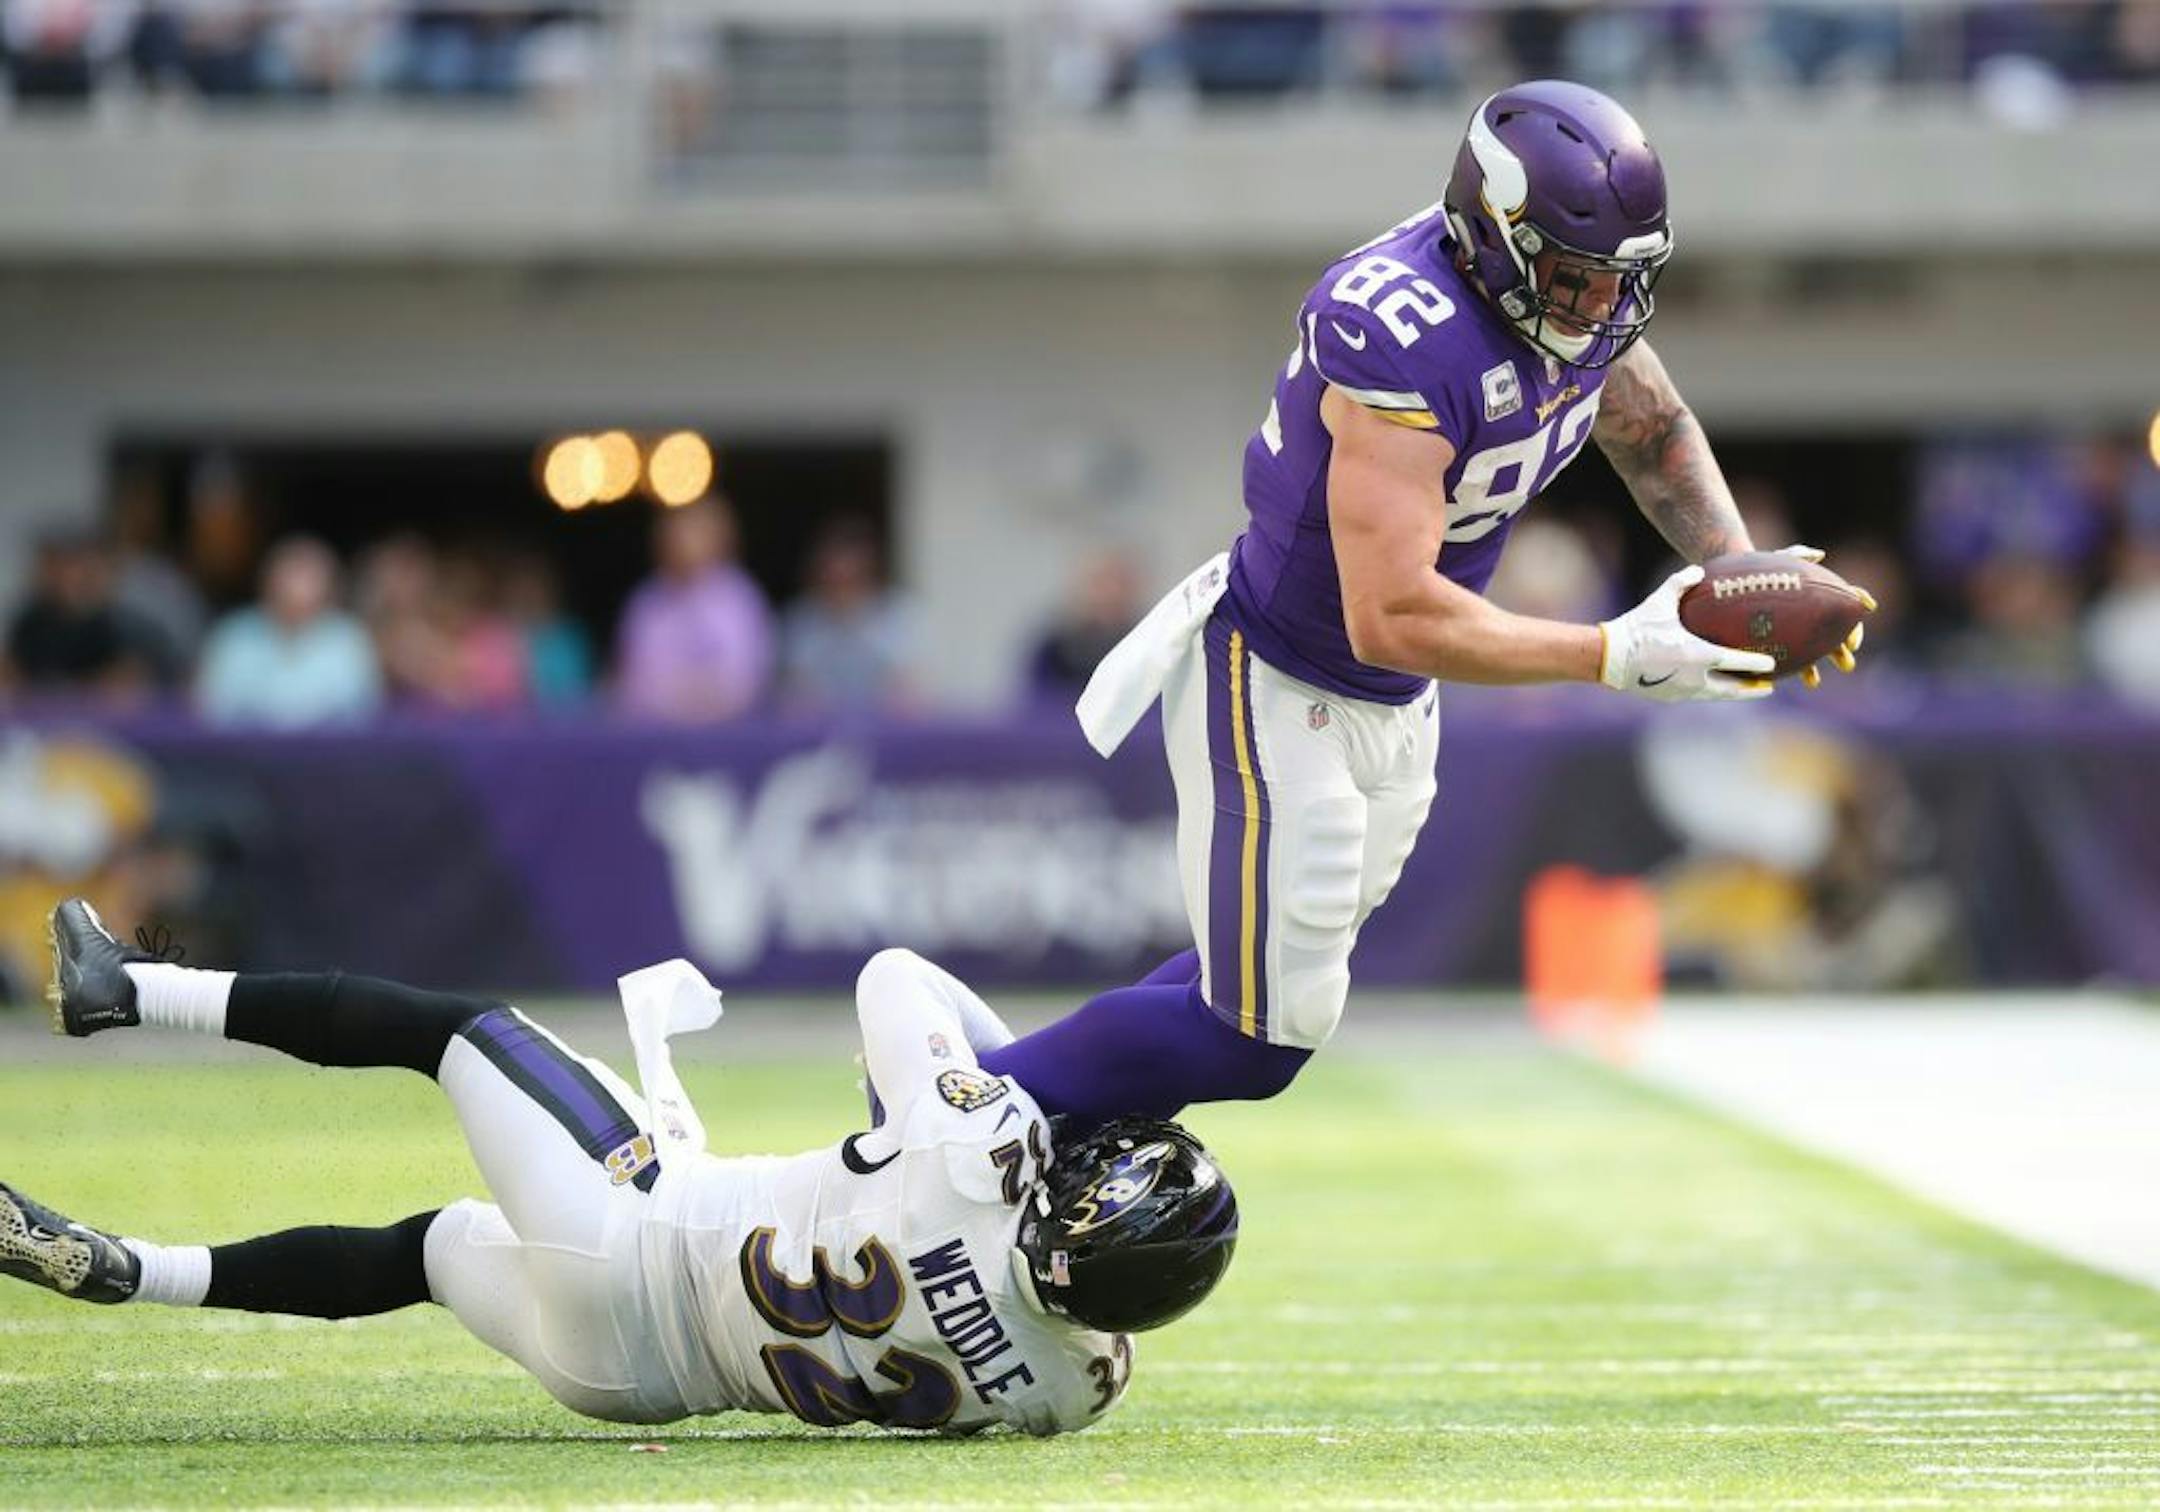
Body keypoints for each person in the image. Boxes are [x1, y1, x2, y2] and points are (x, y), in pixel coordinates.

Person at [973, 79, 1869, 1127]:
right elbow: (1388, 613)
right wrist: (1614, 653)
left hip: (1399, 699)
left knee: (1265, 978)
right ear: (1496, 235)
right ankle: (982, 1099)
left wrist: (1740, 573)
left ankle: (1010, 1111)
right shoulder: (1405, 331)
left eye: (1620, 279)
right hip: (1281, 676)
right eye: (1577, 279)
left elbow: (1654, 429)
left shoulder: (1570, 297)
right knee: (1261, 1031)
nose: (1601, 307)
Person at [10, 900, 1236, 1437]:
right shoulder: (1076, 1391)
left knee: (459, 1029)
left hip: (632, 1226)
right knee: (429, 1250)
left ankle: (132, 990)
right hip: (622, 1381)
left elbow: (895, 979)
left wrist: (1005, 1085)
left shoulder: (975, 1157)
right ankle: (133, 1271)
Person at [614, 496, 775, 723]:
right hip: (653, 732)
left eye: (693, 530)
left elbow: (745, 680)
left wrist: (693, 697)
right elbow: (632, 681)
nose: (681, 540)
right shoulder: (645, 600)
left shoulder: (741, 599)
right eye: (674, 530)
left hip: (728, 734)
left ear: (720, 537)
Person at [196, 536, 382, 727]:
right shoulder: (234, 635)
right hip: (244, 745)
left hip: (331, 746)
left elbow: (363, 715)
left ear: (329, 589)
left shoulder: (349, 639)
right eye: (289, 576)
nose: (295, 588)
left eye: (308, 577)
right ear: (267, 583)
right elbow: (211, 711)